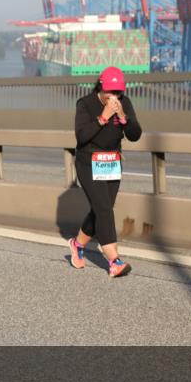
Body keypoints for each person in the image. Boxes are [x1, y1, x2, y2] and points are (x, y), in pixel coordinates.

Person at [69, 66, 142, 277]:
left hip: (112, 163)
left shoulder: (124, 103)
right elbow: (81, 136)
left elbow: (135, 134)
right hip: (88, 162)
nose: (115, 96)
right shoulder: (85, 104)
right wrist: (104, 117)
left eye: (118, 92)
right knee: (103, 209)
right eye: (111, 92)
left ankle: (78, 244)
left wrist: (123, 116)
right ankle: (114, 260)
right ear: (101, 88)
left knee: (102, 208)